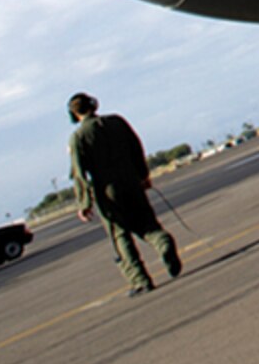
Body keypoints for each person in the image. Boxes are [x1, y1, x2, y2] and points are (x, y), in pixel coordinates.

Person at [67, 93, 182, 295]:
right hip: (131, 182)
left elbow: (79, 173)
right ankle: (163, 242)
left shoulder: (78, 137)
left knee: (120, 234)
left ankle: (140, 279)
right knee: (147, 222)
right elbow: (136, 147)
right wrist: (143, 175)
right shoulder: (117, 122)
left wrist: (84, 203)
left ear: (74, 114)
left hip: (107, 191)